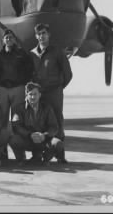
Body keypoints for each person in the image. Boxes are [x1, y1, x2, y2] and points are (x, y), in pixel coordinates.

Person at [30, 23, 72, 163]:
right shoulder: (32, 54)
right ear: (36, 36)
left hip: (54, 93)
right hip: (40, 94)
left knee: (58, 122)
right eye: (39, 34)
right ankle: (38, 154)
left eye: (44, 33)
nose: (41, 36)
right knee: (39, 122)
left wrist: (59, 88)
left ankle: (60, 155)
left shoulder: (57, 52)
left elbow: (68, 74)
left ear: (49, 35)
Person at [0, 29, 33, 159]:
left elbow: (29, 69)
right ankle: (2, 151)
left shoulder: (22, 54)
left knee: (17, 120)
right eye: (6, 37)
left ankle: (19, 151)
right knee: (2, 120)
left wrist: (25, 83)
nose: (8, 39)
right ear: (3, 40)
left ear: (14, 39)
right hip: (4, 89)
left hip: (18, 88)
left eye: (11, 37)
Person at [9, 82, 64, 166]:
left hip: (43, 140)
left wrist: (44, 135)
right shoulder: (19, 108)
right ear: (26, 95)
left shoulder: (47, 108)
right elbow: (16, 126)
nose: (33, 97)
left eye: (35, 94)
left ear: (40, 95)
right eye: (30, 94)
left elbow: (54, 127)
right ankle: (21, 159)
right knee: (13, 140)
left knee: (58, 144)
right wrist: (30, 134)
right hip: (27, 140)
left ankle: (45, 159)